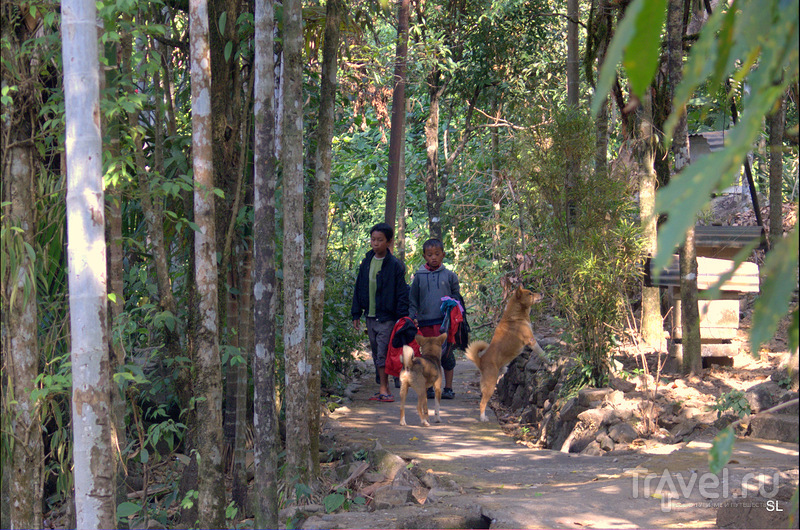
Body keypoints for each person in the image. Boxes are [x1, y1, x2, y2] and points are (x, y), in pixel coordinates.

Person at [352, 223, 410, 402]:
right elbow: (359, 287)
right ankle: (383, 386)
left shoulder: (394, 265)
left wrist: (402, 317)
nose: (375, 244)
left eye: (380, 240)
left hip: (387, 317)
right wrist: (356, 313)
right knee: (376, 350)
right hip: (370, 315)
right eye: (373, 240)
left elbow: (401, 292)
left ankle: (384, 388)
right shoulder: (367, 261)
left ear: (389, 242)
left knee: (383, 352)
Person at [409, 238, 461, 399]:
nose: (434, 258)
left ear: (443, 255)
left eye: (437, 254)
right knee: (427, 356)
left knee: (446, 355)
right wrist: (411, 318)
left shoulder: (450, 275)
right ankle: (429, 387)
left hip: (444, 324)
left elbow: (457, 297)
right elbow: (413, 300)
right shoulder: (419, 276)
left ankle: (448, 388)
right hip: (425, 323)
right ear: (424, 256)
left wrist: (454, 310)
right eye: (430, 254)